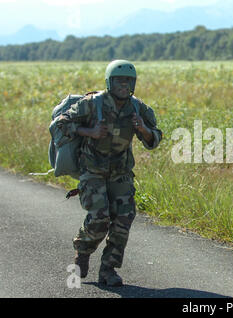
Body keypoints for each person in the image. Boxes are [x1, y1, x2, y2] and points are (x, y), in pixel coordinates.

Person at [56, 60, 162, 286]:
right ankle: (83, 250)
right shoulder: (92, 104)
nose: (124, 85)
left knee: (124, 218)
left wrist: (142, 128)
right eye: (119, 81)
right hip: (92, 170)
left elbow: (155, 139)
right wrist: (89, 131)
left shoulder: (137, 107)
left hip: (121, 173)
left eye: (128, 81)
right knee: (100, 217)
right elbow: (60, 125)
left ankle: (108, 269)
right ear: (109, 82)